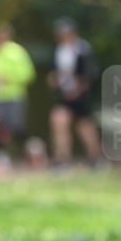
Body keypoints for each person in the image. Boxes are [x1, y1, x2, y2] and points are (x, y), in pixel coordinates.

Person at [47, 18, 103, 167]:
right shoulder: (58, 50)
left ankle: (95, 158)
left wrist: (78, 90)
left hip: (81, 96)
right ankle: (61, 159)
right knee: (58, 122)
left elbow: (89, 75)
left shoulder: (83, 49)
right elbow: (56, 72)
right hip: (64, 95)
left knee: (84, 127)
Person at [0, 24, 36, 172]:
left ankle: (34, 152)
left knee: (16, 128)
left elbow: (28, 75)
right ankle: (0, 158)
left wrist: (6, 79)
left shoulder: (16, 51)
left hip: (14, 96)